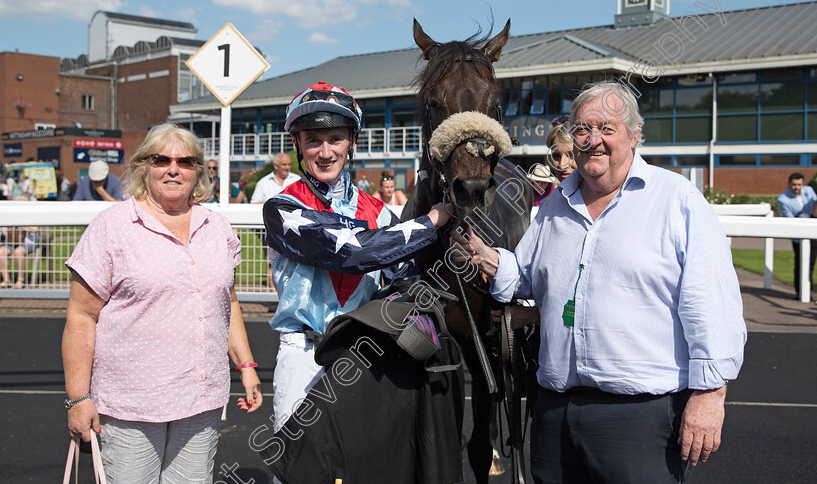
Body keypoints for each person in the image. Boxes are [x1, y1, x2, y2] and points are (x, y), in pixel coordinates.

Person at [451, 81, 746, 484]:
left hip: (641, 420)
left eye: (607, 128)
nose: (593, 141)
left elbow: (711, 302)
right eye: (583, 130)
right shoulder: (554, 206)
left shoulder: (676, 200)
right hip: (556, 415)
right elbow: (525, 277)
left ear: (634, 134)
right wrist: (488, 258)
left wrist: (710, 395)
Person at [61, 124, 262, 483]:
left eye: (185, 161)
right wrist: (78, 399)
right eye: (161, 159)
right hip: (132, 404)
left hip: (201, 401)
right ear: (144, 166)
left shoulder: (217, 228)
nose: (173, 169)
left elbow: (226, 303)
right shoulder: (112, 227)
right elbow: (80, 317)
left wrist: (245, 364)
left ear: (198, 170)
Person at [261, 82, 452, 454]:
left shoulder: (380, 213)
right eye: (313, 139)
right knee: (298, 468)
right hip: (302, 354)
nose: (325, 151)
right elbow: (352, 254)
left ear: (352, 141)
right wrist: (429, 223)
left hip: (361, 355)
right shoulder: (281, 207)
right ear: (297, 145)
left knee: (360, 464)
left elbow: (405, 281)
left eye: (335, 138)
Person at [777, 172, 817, 300]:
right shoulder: (783, 199)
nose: (796, 187)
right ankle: (800, 292)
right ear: (789, 184)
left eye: (799, 184)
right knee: (800, 263)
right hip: (798, 236)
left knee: (811, 263)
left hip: (813, 233)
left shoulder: (809, 191)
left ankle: (808, 291)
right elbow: (789, 219)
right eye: (794, 184)